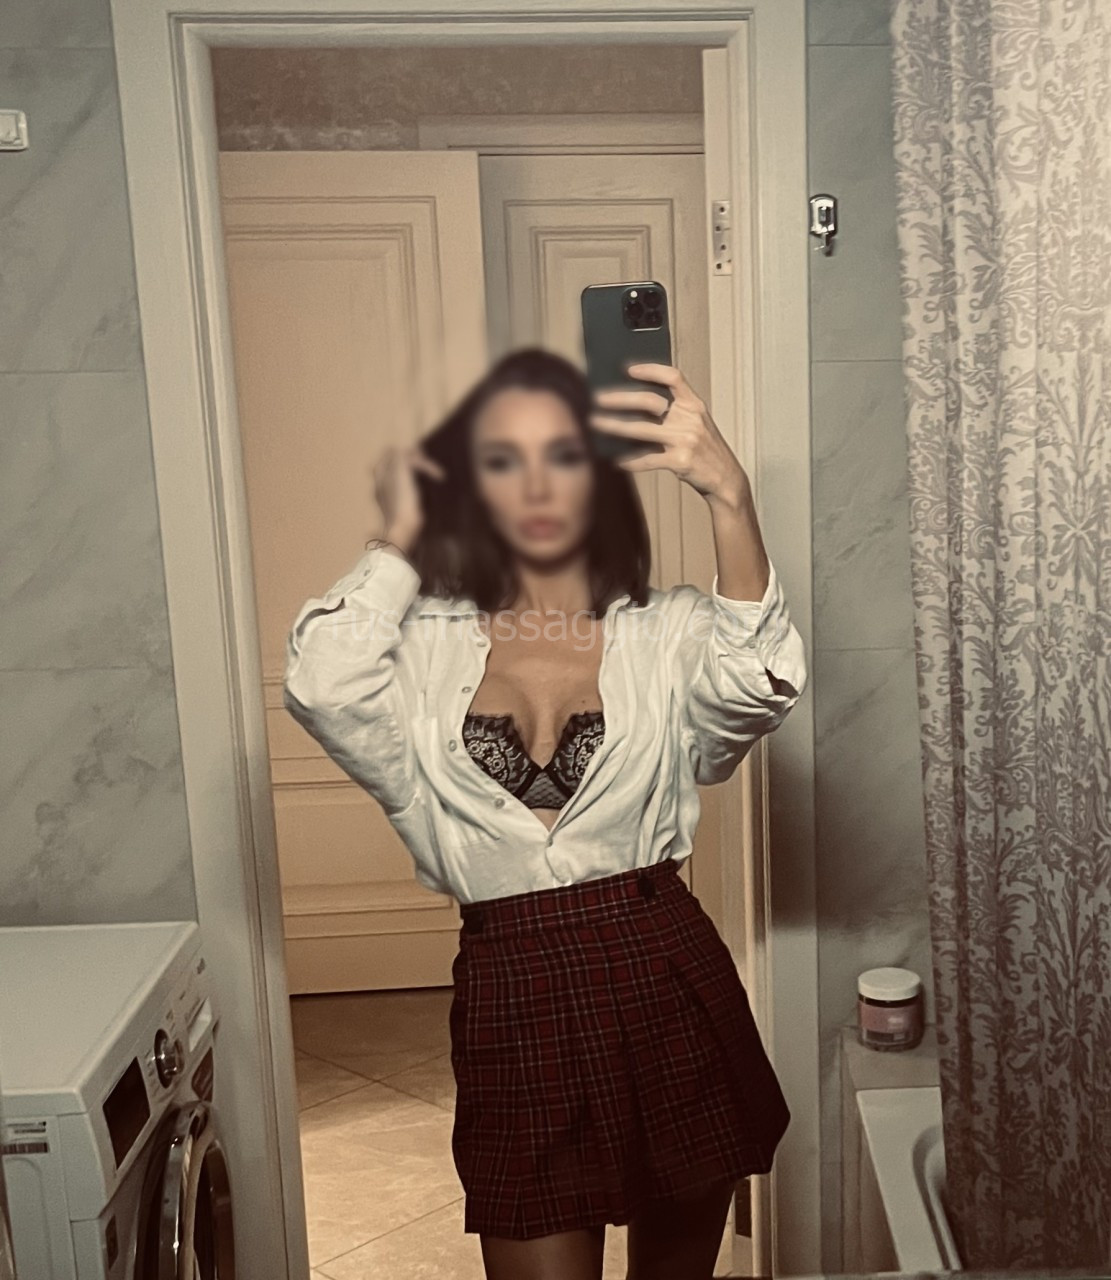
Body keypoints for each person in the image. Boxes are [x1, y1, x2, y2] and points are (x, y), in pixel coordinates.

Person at [283, 347, 808, 1280]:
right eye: (501, 459)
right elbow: (321, 683)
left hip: (664, 972)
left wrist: (728, 494)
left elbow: (754, 683)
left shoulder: (663, 630)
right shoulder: (421, 648)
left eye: (561, 456)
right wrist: (403, 536)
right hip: (513, 990)